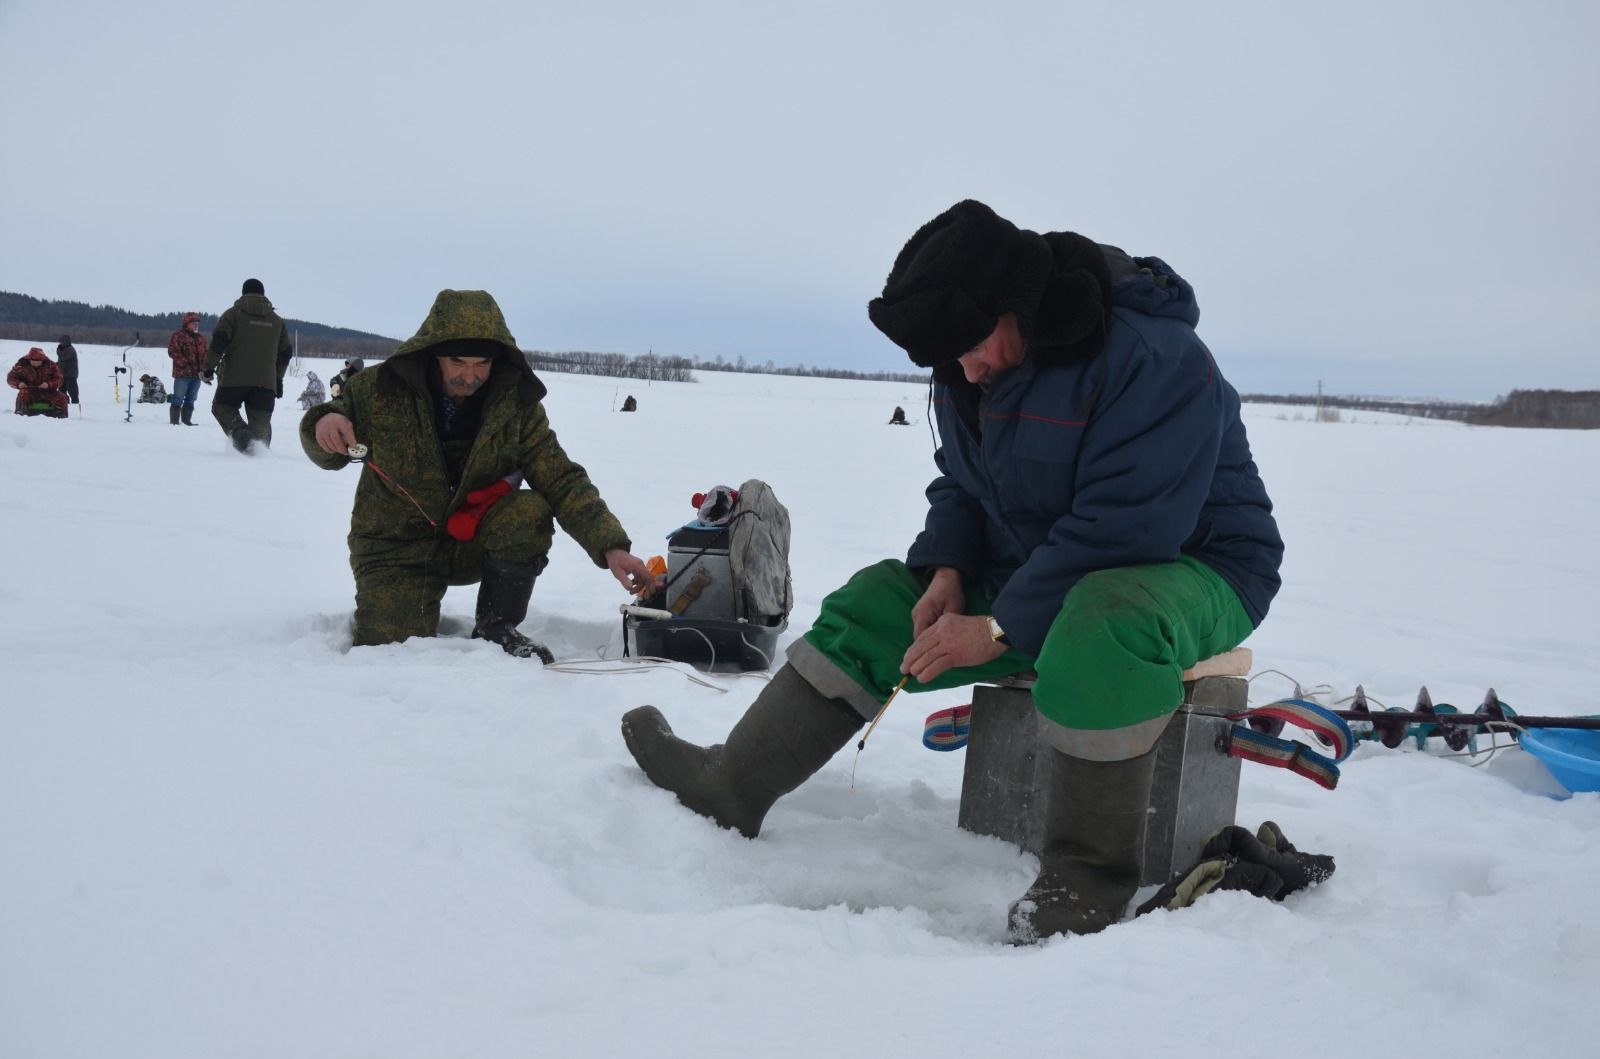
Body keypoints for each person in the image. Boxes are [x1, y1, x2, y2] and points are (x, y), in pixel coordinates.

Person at [620, 199, 1284, 942]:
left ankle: (1088, 875)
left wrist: (998, 625)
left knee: (1105, 616)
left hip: (1194, 564)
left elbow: (1130, 529)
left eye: (969, 350)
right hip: (1052, 564)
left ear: (1014, 305)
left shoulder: (1152, 357)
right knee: (878, 600)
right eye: (947, 364)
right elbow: (965, 484)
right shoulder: (967, 366)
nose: (962, 372)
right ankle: (732, 784)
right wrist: (948, 568)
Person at [300, 288, 658, 661]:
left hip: (467, 540)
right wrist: (323, 424)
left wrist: (611, 546)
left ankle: (496, 625)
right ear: (433, 352)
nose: (469, 376)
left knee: (529, 510)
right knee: (390, 652)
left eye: (482, 364)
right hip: (394, 548)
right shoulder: (376, 390)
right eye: (457, 362)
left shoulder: (515, 406)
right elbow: (326, 448)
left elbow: (561, 478)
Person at [202, 278, 291, 452]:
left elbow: (219, 342)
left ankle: (239, 432)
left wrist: (208, 368)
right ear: (263, 295)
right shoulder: (277, 322)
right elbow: (285, 354)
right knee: (261, 421)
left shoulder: (232, 315)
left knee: (222, 407)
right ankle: (259, 452)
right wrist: (278, 379)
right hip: (265, 382)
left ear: (243, 293)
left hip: (233, 379)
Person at [166, 311, 209, 425]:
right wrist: (186, 363)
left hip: (197, 375)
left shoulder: (201, 339)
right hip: (182, 374)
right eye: (193, 323)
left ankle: (187, 421)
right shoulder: (178, 336)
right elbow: (173, 352)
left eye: (197, 323)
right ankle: (174, 422)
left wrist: (205, 369)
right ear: (186, 323)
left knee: (191, 399)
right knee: (178, 398)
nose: (196, 325)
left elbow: (205, 355)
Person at [8, 347, 69, 417]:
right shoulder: (21, 365)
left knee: (62, 397)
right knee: (23, 394)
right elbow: (10, 378)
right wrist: (19, 384)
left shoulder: (51, 365)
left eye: (38, 360)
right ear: (29, 359)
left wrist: (48, 384)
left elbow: (59, 379)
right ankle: (20, 414)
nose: (35, 362)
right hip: (29, 391)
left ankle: (62, 417)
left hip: (48, 392)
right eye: (33, 360)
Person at [55, 334, 79, 405]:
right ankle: (65, 402)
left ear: (65, 342)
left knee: (72, 390)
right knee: (62, 389)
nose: (60, 344)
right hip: (63, 373)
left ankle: (75, 403)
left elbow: (63, 357)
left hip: (70, 374)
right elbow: (61, 361)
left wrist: (58, 350)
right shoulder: (64, 349)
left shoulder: (70, 350)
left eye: (61, 342)